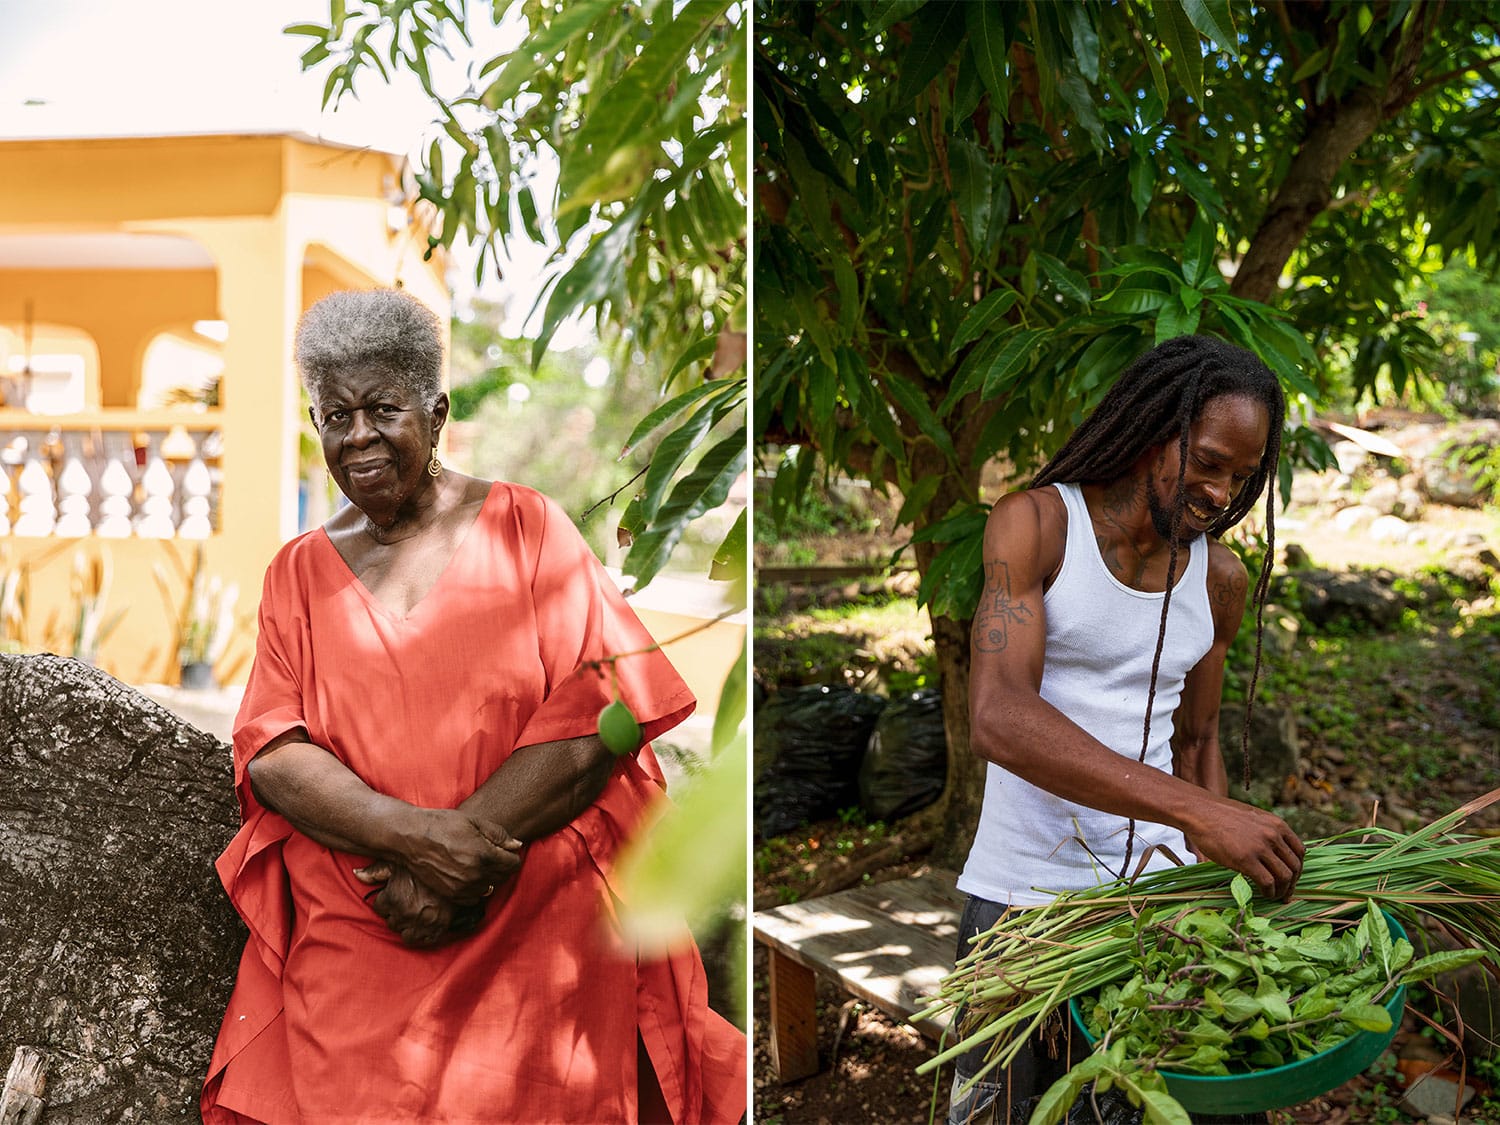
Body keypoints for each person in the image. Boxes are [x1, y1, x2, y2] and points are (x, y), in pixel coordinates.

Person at [201, 288, 746, 1124]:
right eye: (334, 414)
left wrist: (463, 866)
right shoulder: (298, 572)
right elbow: (273, 750)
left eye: (383, 408)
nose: (358, 437)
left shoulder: (529, 528)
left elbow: (605, 707)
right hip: (366, 920)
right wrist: (420, 842)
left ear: (438, 409)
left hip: (529, 912)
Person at [948, 335, 1306, 1124]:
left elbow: (1198, 742)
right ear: (1153, 429)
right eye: (1208, 461)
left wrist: (1222, 874)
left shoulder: (1219, 578)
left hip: (1160, 904)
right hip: (1022, 905)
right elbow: (998, 715)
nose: (1220, 492)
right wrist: (1198, 812)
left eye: (1242, 476)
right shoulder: (1038, 525)